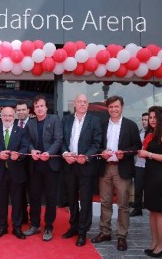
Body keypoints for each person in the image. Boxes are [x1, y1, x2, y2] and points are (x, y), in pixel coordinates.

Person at [91, 95, 141, 251]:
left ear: (122, 107)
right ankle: (105, 231)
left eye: (116, 106)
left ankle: (121, 236)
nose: (113, 109)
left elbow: (137, 145)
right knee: (105, 202)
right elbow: (96, 144)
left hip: (122, 169)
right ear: (108, 108)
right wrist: (101, 152)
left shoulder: (131, 125)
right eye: (111, 107)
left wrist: (124, 153)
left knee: (123, 204)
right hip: (105, 167)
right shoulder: (102, 124)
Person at [61, 94, 102, 247]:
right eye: (79, 101)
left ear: (88, 105)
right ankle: (73, 226)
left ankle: (83, 231)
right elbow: (62, 141)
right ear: (74, 104)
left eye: (85, 102)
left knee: (85, 201)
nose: (82, 104)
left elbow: (97, 142)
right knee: (71, 199)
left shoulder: (94, 120)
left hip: (86, 166)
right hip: (70, 165)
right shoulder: (66, 120)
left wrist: (87, 156)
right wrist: (65, 154)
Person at [23, 95, 63, 241]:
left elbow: (58, 139)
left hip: (50, 165)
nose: (39, 108)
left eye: (41, 105)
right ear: (34, 109)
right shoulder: (30, 123)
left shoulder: (54, 120)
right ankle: (34, 225)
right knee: (34, 197)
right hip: (35, 165)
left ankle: (48, 226)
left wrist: (49, 153)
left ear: (46, 107)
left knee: (51, 198)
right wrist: (32, 150)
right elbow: (27, 141)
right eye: (37, 106)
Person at [138, 106, 162, 257]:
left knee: (159, 213)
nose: (152, 120)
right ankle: (154, 242)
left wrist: (149, 154)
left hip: (161, 177)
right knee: (152, 212)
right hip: (151, 175)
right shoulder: (152, 135)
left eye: (155, 117)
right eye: (150, 117)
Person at [0, 107, 29, 239]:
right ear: (1, 116)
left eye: (10, 116)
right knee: (1, 201)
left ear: (15, 117)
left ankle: (17, 228)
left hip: (16, 171)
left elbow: (25, 147)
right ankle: (2, 227)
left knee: (17, 201)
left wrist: (18, 156)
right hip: (0, 171)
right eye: (5, 115)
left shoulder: (22, 131)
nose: (7, 118)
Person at [130, 112, 149, 217]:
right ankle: (137, 208)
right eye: (143, 119)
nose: (144, 122)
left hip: (150, 164)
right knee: (138, 188)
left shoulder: (154, 133)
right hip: (139, 164)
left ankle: (150, 206)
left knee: (150, 187)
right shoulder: (140, 132)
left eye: (146, 120)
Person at [15, 101, 30, 224]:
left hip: (32, 164)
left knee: (33, 193)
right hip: (18, 164)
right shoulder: (13, 125)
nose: (21, 112)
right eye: (18, 110)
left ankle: (34, 219)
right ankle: (22, 217)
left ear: (28, 111)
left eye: (23, 110)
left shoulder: (33, 124)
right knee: (19, 193)